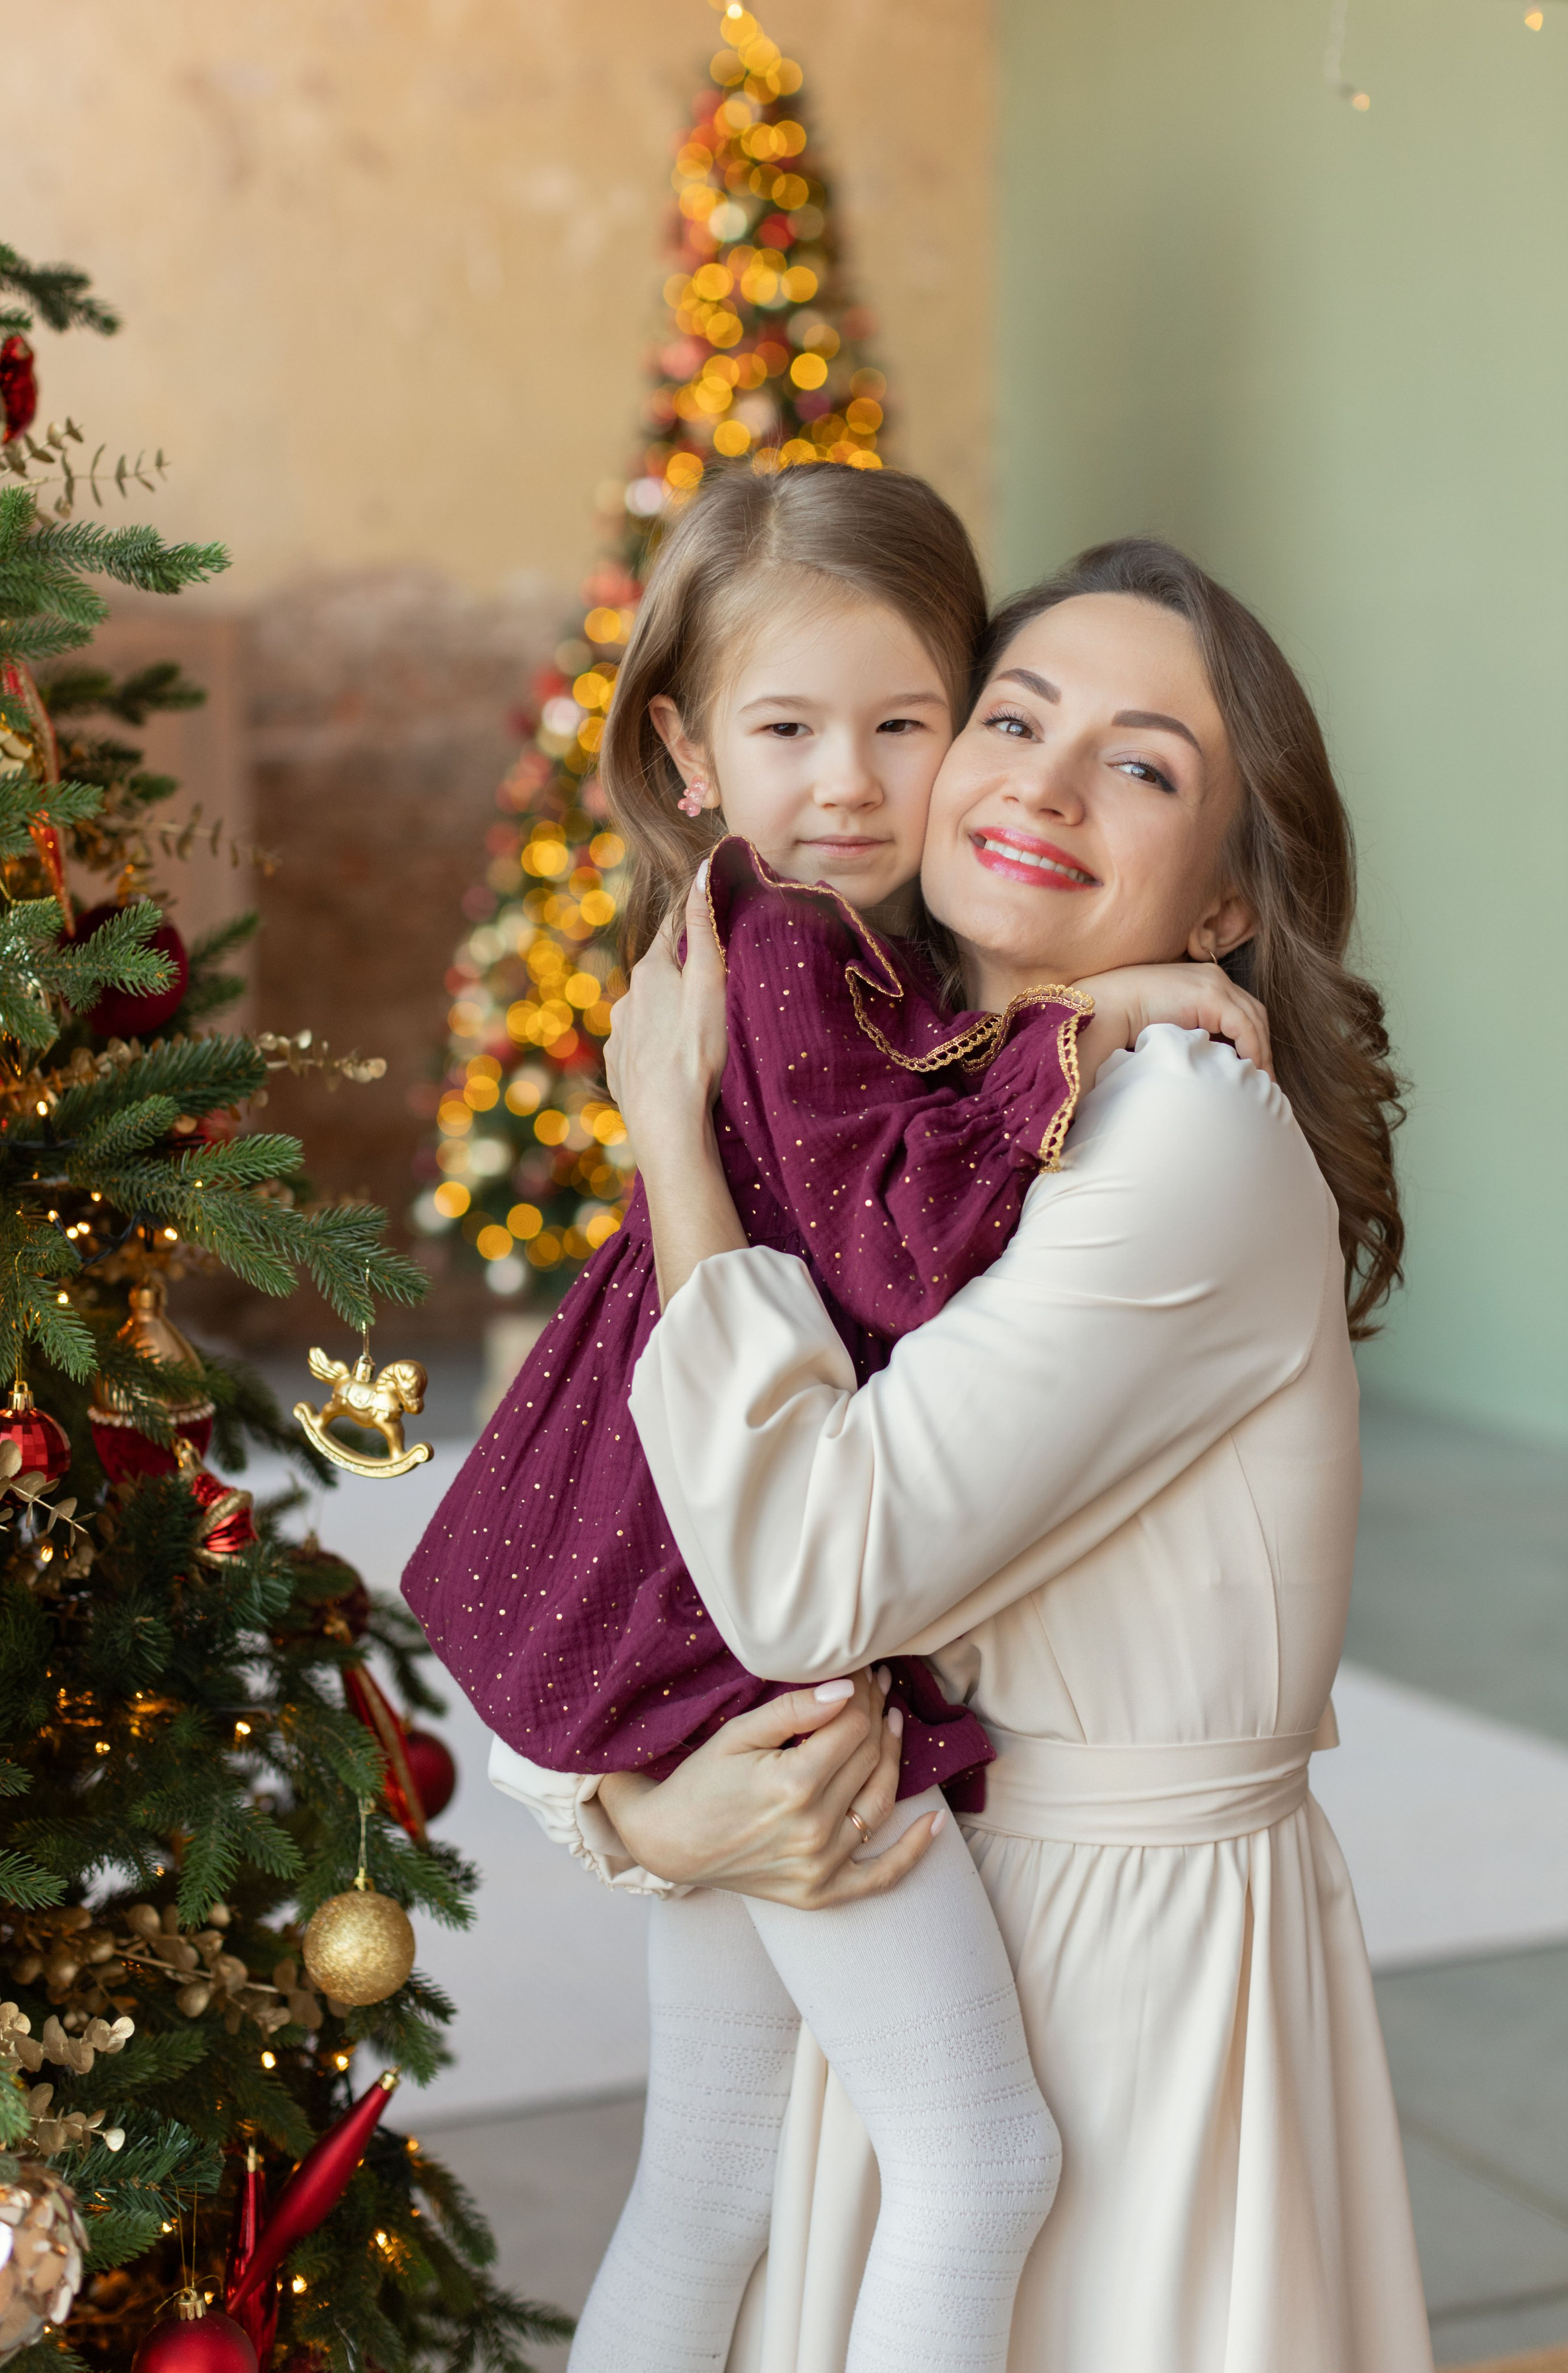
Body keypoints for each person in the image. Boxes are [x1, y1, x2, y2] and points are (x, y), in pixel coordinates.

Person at [403, 471, 1269, 2373]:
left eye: (908, 724)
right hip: (727, 1620)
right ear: (687, 753)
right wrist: (1110, 1015)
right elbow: (894, 1241)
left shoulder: (823, 951)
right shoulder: (790, 950)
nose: (856, 785)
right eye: (789, 732)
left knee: (713, 2167)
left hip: (694, 1594)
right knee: (980, 2162)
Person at [587, 537, 1433, 2373]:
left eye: (1139, 762)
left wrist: (669, 1140)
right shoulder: (889, 1098)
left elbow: (803, 1569)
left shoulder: (1184, 1135)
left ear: (1222, 905)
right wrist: (638, 1814)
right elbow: (584, 1529)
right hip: (906, 1866)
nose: (1041, 781)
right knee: (731, 2193)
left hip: (1111, 1962)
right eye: (1012, 715)